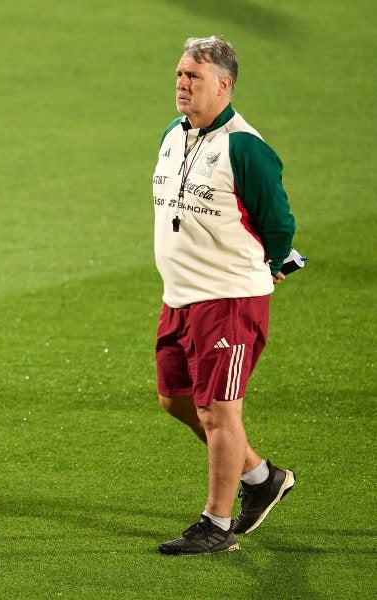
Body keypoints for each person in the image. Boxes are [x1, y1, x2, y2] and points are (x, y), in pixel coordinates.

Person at [151, 36, 297, 555]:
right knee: (176, 400)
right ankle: (260, 478)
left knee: (219, 410)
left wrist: (276, 263)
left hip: (229, 301)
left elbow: (278, 222)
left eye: (193, 76)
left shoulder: (245, 147)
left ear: (224, 84)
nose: (182, 84)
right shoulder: (174, 133)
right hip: (181, 298)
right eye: (179, 75)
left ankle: (217, 524)